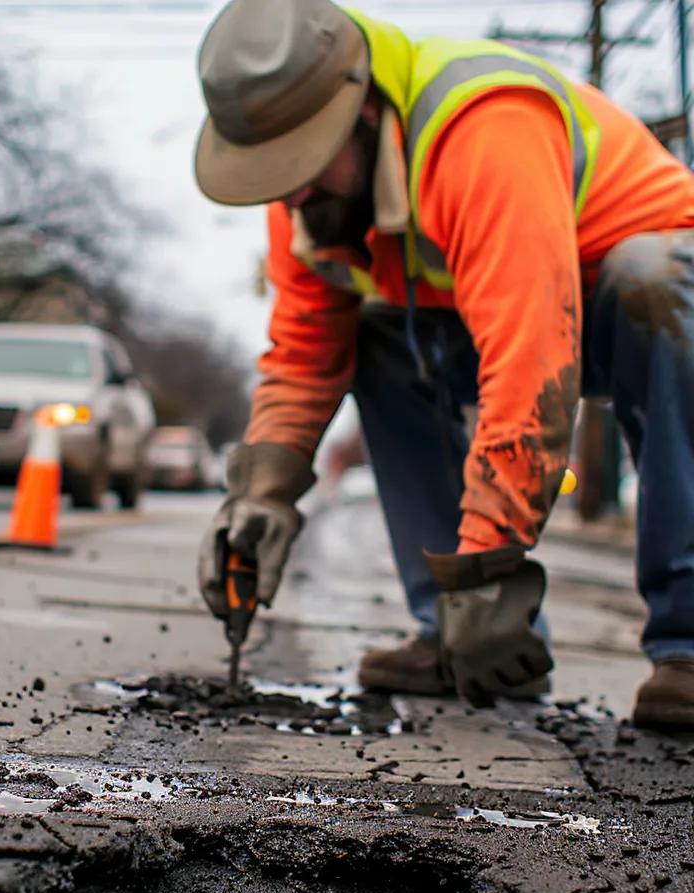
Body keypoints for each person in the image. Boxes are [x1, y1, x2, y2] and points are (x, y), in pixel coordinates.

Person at [194, 0, 694, 727]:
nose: (290, 190)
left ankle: (686, 645)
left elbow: (531, 366)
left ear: (364, 111)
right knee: (375, 335)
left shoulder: (485, 127)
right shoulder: (308, 199)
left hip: (640, 300)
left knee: (654, 277)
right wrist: (261, 494)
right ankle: (450, 633)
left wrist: (487, 568)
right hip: (505, 316)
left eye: (302, 162)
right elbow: (303, 353)